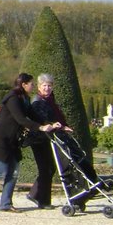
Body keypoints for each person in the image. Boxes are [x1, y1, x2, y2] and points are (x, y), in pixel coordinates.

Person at [0, 73, 58, 212]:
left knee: (14, 172)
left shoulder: (24, 99)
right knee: (1, 170)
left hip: (12, 141)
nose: (33, 86)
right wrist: (40, 127)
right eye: (31, 84)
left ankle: (5, 204)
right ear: (24, 84)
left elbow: (34, 116)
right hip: (0, 138)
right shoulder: (13, 98)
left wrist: (52, 124)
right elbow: (21, 119)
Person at [27, 73, 71, 209]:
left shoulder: (49, 100)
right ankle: (42, 200)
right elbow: (40, 120)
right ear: (39, 87)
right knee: (46, 169)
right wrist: (54, 125)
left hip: (46, 138)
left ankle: (36, 196)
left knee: (49, 168)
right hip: (38, 139)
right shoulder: (37, 101)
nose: (47, 88)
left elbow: (52, 119)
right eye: (44, 85)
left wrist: (62, 127)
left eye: (49, 86)